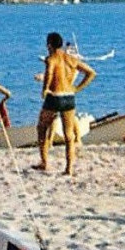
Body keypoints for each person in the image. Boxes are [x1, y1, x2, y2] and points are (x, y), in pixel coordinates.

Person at [36, 32, 96, 175]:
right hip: (69, 96)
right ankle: (69, 168)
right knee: (69, 135)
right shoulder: (71, 59)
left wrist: (45, 89)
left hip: (55, 96)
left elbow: (49, 73)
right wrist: (76, 88)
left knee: (42, 128)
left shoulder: (51, 59)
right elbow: (91, 73)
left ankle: (44, 162)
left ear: (50, 44)